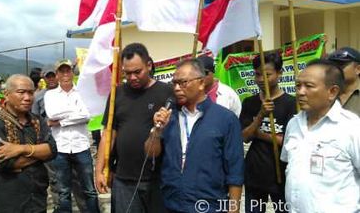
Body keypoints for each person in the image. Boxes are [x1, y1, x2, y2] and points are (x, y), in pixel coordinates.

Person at [146, 59, 244, 213]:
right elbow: (150, 153)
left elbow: (235, 170)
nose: (177, 88)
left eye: (183, 83)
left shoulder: (225, 119)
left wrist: (234, 209)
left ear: (201, 83)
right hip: (171, 205)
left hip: (210, 206)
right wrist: (156, 131)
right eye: (174, 83)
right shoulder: (168, 118)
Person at [95, 43, 173, 213]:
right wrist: (99, 170)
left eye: (137, 72)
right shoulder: (117, 94)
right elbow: (109, 134)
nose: (132, 78)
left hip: (158, 179)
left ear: (149, 65)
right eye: (127, 73)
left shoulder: (166, 92)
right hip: (124, 180)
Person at [281, 59, 360, 212]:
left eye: (308, 86)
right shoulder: (294, 124)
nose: (300, 92)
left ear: (332, 92)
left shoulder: (351, 127)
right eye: (298, 86)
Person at [0, 74, 57, 212]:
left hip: (37, 199)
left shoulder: (37, 121)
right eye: (21, 92)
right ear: (7, 94)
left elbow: (52, 150)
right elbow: (6, 162)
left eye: (30, 92)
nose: (27, 98)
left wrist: (21, 149)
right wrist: (40, 153)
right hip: (7, 201)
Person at [239, 51, 296, 213]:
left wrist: (259, 134)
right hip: (254, 175)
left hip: (281, 176)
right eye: (257, 74)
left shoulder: (291, 104)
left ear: (279, 74)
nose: (261, 80)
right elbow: (243, 137)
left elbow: (288, 142)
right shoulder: (250, 102)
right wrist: (260, 116)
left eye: (267, 74)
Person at [44, 59, 100, 213]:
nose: (65, 74)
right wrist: (74, 112)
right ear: (57, 75)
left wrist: (61, 122)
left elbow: (87, 116)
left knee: (89, 189)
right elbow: (52, 114)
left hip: (81, 146)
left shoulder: (83, 92)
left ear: (72, 72)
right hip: (61, 148)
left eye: (68, 70)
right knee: (63, 191)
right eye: (61, 71)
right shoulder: (50, 95)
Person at [327, 47, 359, 116]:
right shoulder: (326, 94)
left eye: (341, 65)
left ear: (358, 69)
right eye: (333, 65)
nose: (336, 69)